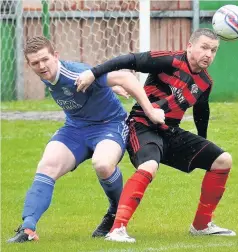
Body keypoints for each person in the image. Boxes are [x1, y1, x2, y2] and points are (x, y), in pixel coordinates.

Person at [76, 28, 235, 243]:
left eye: (214, 50)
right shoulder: (169, 60)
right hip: (142, 125)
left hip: (170, 131)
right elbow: (130, 60)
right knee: (149, 165)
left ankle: (202, 225)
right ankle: (117, 229)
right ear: (190, 46)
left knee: (222, 161)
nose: (209, 54)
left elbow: (201, 111)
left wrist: (203, 143)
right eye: (204, 47)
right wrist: (93, 73)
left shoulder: (205, 82)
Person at [7, 36, 165, 243]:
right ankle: (27, 229)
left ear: (56, 56)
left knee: (102, 164)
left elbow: (126, 78)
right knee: (47, 166)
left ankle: (115, 213)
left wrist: (150, 111)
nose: (41, 66)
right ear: (29, 65)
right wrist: (108, 85)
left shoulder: (72, 72)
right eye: (35, 63)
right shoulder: (47, 74)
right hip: (75, 128)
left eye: (45, 59)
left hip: (110, 124)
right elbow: (94, 75)